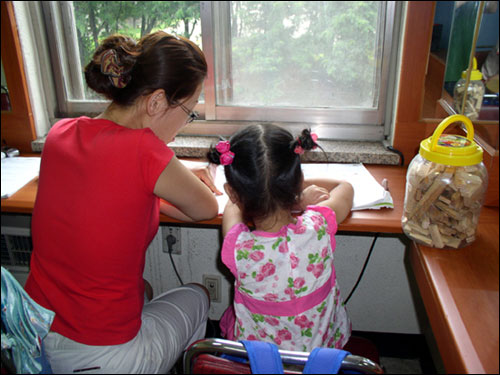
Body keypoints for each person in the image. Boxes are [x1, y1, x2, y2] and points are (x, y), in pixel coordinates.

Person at [24, 31, 219, 373]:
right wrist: (186, 179)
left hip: (36, 333)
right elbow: (207, 208)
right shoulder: (145, 150)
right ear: (157, 102)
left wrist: (154, 189)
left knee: (142, 288)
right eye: (189, 111)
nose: (184, 124)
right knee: (198, 294)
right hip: (103, 355)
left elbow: (105, 196)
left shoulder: (59, 133)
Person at [207, 124, 354, 352]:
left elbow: (232, 207)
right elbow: (344, 187)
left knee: (229, 318)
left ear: (232, 191)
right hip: (322, 355)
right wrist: (298, 199)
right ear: (296, 182)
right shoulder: (318, 226)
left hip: (260, 359)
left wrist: (274, 192)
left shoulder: (239, 246)